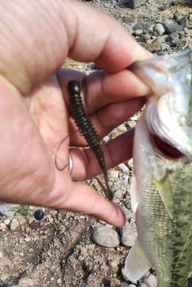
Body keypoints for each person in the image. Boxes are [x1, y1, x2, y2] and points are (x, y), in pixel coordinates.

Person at [0, 0, 151, 227]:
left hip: (83, 127)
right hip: (82, 126)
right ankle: (106, 185)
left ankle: (107, 186)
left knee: (101, 158)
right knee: (101, 158)